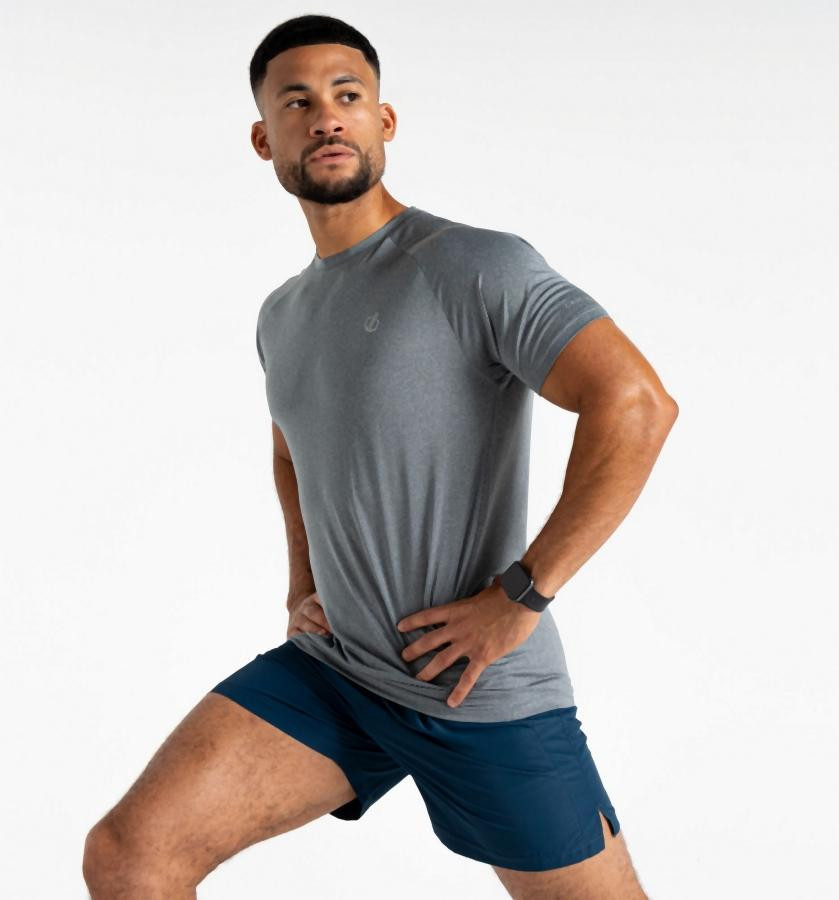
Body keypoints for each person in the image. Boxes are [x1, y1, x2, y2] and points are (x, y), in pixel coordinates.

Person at [83, 14, 677, 899]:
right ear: (264, 139)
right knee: (130, 856)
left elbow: (636, 405)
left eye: (347, 95)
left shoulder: (474, 265)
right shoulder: (282, 314)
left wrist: (522, 595)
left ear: (384, 121)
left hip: (474, 687)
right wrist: (302, 582)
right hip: (340, 672)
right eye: (297, 102)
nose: (326, 116)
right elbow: (291, 447)